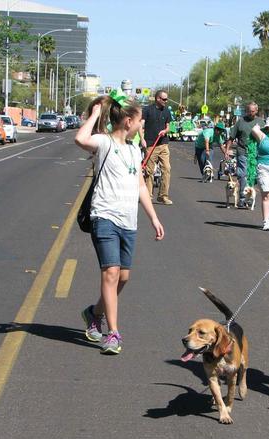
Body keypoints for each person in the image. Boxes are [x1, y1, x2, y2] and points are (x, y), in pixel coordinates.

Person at [75, 93, 164, 355]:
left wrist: (154, 218)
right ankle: (112, 333)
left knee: (123, 277)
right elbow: (80, 139)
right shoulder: (103, 143)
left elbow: (139, 187)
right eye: (140, 121)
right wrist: (94, 114)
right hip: (104, 217)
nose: (142, 125)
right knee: (111, 273)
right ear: (127, 121)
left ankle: (94, 313)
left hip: (129, 220)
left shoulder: (133, 150)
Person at [225, 102, 264, 207]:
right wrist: (227, 150)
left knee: (253, 175)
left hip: (256, 153)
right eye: (248, 111)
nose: (250, 113)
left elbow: (267, 138)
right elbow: (231, 137)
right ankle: (242, 198)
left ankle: (249, 196)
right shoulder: (240, 122)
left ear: (256, 111)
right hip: (242, 151)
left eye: (252, 111)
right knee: (243, 174)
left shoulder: (261, 122)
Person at [140, 90, 173, 205]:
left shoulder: (167, 111)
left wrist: (165, 131)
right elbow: (141, 125)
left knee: (167, 169)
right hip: (150, 144)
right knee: (149, 171)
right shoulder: (147, 110)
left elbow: (168, 127)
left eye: (166, 99)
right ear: (158, 99)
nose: (166, 101)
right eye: (164, 99)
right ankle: (148, 196)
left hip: (163, 144)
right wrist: (142, 139)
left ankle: (163, 196)